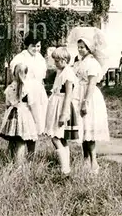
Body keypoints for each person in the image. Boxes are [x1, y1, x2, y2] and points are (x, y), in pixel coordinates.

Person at [74, 38, 110, 174]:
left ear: (89, 48)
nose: (80, 49)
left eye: (83, 47)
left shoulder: (93, 63)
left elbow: (91, 83)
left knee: (90, 128)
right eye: (79, 47)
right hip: (78, 94)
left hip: (89, 96)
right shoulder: (78, 62)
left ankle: (94, 161)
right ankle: (85, 160)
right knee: (82, 128)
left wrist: (85, 101)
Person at [9, 31, 48, 155]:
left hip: (38, 92)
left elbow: (42, 76)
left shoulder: (40, 58)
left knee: (35, 123)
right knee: (24, 123)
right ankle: (16, 155)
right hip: (25, 92)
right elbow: (16, 71)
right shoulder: (21, 57)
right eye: (33, 46)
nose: (36, 49)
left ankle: (31, 155)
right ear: (27, 45)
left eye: (38, 46)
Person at [44, 47, 79, 175]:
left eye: (57, 61)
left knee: (55, 137)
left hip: (62, 106)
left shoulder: (68, 74)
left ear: (64, 60)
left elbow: (68, 95)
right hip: (56, 104)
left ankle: (65, 168)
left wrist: (64, 114)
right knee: (60, 137)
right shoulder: (61, 72)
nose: (55, 63)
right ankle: (65, 167)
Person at [0, 63, 39, 163]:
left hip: (12, 115)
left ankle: (9, 162)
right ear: (26, 74)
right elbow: (32, 104)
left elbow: (7, 104)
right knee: (21, 141)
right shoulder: (27, 88)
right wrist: (36, 120)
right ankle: (19, 165)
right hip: (24, 115)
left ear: (13, 74)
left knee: (13, 141)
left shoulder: (9, 88)